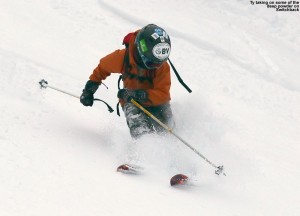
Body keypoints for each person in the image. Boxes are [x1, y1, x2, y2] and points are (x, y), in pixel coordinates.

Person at [80, 24, 174, 138]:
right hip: (131, 100)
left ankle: (172, 144)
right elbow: (102, 68)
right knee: (140, 128)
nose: (156, 67)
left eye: (159, 63)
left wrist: (140, 95)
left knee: (168, 127)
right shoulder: (123, 58)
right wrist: (89, 90)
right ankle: (144, 146)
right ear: (141, 50)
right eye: (151, 63)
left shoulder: (162, 67)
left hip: (154, 101)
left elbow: (163, 94)